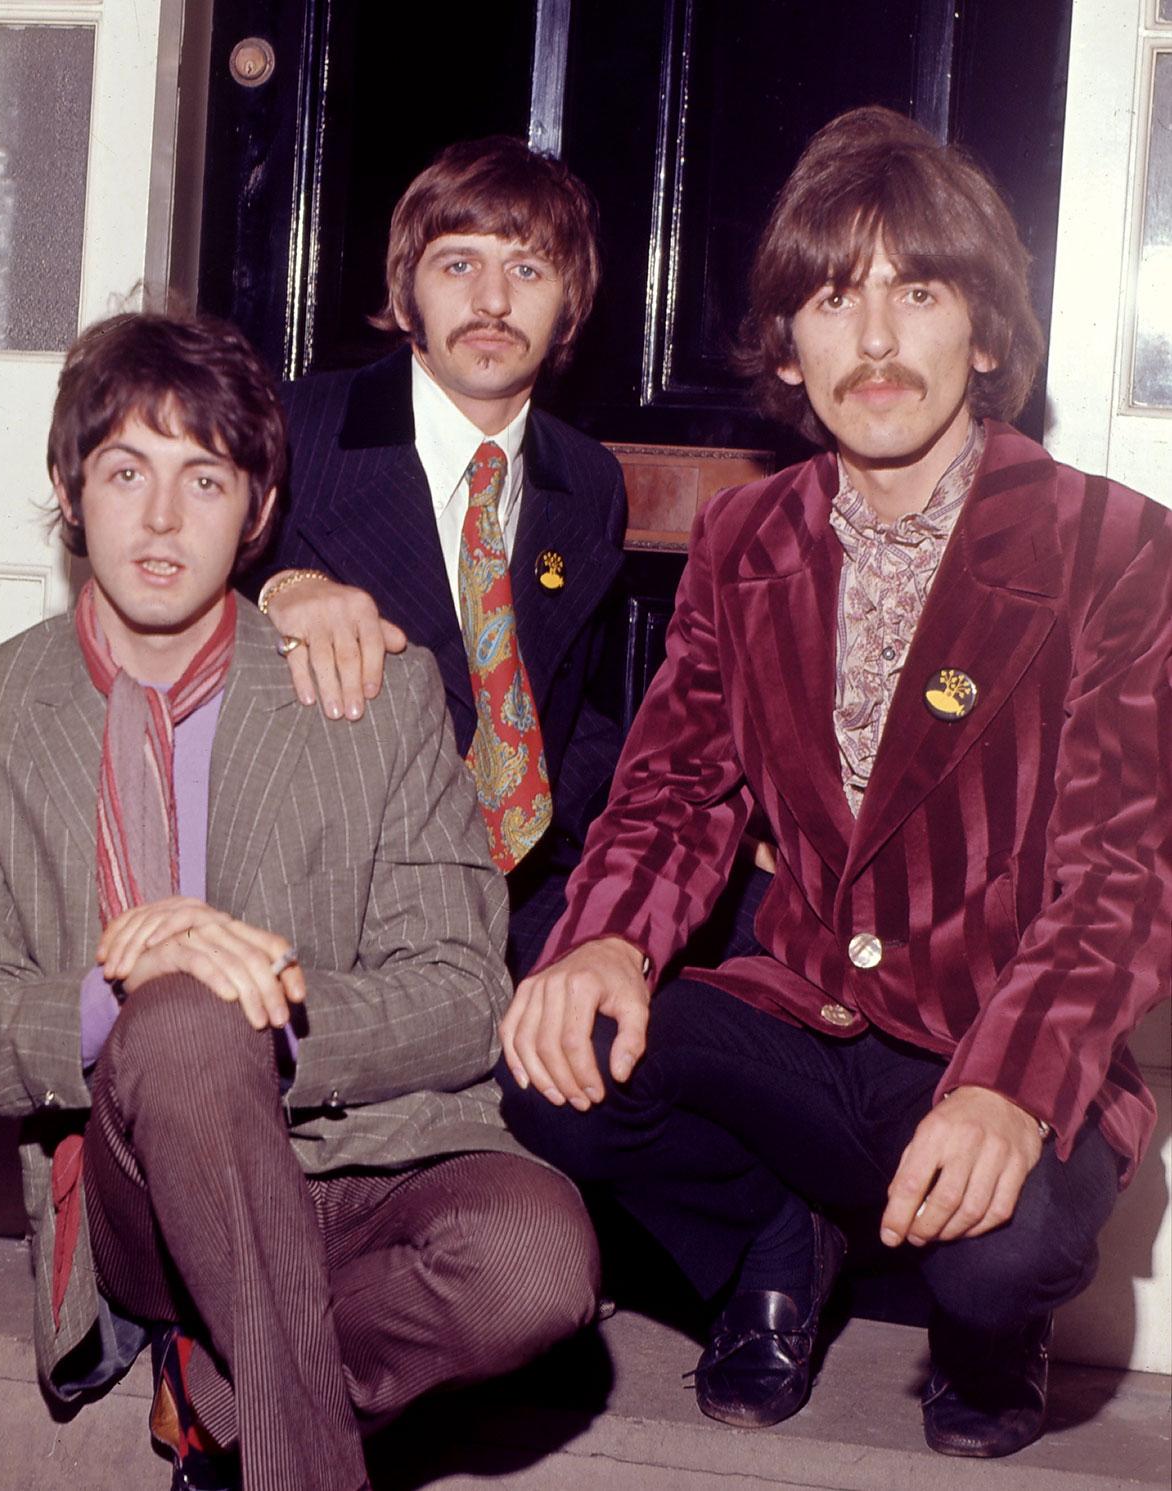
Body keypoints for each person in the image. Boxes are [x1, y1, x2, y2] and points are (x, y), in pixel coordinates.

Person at [499, 105, 1171, 1459]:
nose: (872, 342)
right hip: (806, 1018)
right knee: (552, 1061)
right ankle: (771, 1233)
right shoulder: (748, 534)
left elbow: (1123, 869)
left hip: (995, 1028)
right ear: (788, 352)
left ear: (983, 334)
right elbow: (675, 789)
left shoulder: (1115, 543)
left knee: (998, 1252)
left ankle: (988, 1332)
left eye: (916, 293)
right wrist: (609, 942)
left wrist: (1011, 1086)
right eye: (830, 297)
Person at [0, 310, 598, 1491]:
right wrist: (122, 991)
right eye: (125, 472)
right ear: (71, 494)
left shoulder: (374, 692)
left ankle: (226, 1402)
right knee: (179, 1016)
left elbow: (459, 991)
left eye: (206, 477)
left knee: (540, 1262)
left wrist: (267, 999)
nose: (164, 519)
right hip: (141, 1193)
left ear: (260, 507)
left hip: (363, 1159)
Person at [249, 135, 629, 976]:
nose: (493, 301)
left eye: (529, 271)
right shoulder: (294, 430)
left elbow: (573, 711)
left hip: (531, 891)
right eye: (459, 265)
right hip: (338, 899)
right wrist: (281, 589)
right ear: (407, 291)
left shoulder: (589, 482)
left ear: (571, 304)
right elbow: (177, 613)